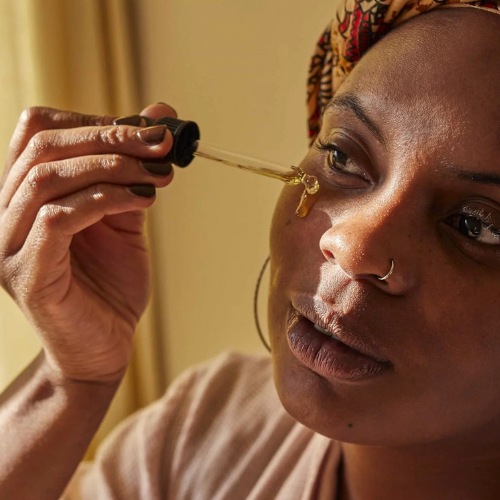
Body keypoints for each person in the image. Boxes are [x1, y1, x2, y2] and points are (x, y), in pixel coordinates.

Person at [1, 0, 500, 498]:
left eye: (476, 226)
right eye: (342, 156)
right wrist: (72, 377)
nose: (353, 247)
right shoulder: (204, 439)